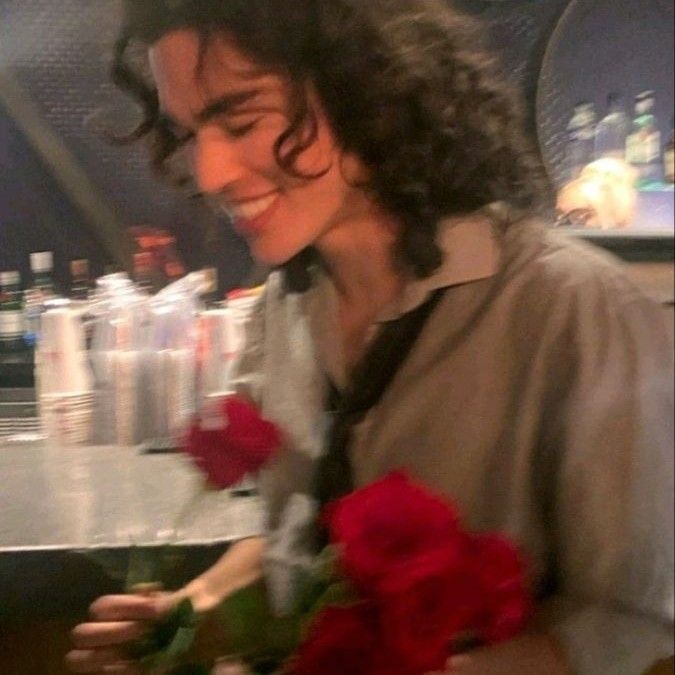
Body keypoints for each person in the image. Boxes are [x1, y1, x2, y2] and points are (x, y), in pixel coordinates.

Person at [67, 1, 674, 673]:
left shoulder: (575, 310)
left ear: (366, 87)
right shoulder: (284, 308)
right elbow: (298, 539)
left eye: (239, 121)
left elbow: (630, 616)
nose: (208, 174)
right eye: (188, 132)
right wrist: (186, 609)